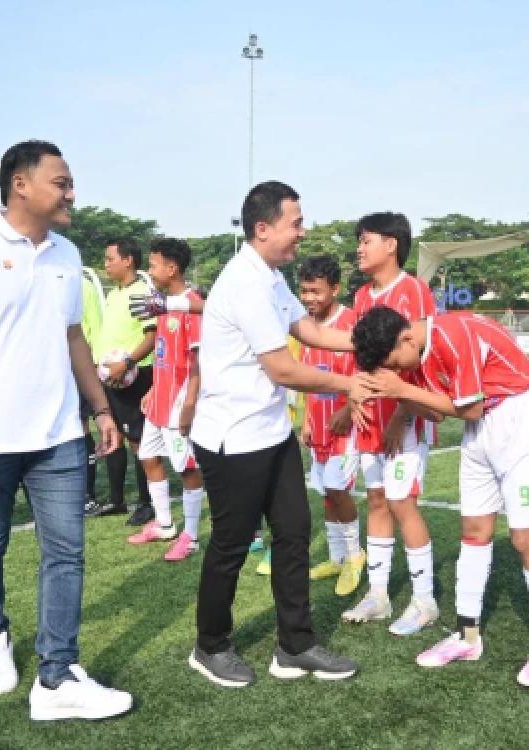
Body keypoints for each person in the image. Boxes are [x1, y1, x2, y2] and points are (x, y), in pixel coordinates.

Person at [0, 139, 131, 721]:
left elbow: (74, 341)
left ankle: (57, 677)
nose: (71, 192)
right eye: (61, 182)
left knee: (66, 553)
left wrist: (100, 410)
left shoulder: (67, 254)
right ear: (20, 184)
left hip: (60, 435)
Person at [188, 180, 366, 688]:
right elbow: (285, 370)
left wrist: (369, 342)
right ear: (263, 228)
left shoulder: (269, 276)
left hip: (271, 433)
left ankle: (296, 647)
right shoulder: (244, 282)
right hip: (232, 439)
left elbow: (307, 330)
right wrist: (349, 382)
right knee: (231, 544)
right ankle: (210, 645)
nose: (302, 233)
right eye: (296, 223)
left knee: (292, 535)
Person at [353, 307, 529, 685]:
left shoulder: (453, 333)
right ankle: (467, 635)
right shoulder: (415, 353)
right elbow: (436, 415)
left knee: (524, 536)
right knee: (473, 530)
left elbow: (470, 406)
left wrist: (401, 392)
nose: (398, 371)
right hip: (481, 429)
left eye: (394, 362)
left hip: (519, 420)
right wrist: (393, 397)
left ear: (406, 338)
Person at [337, 212, 440, 637]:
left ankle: (424, 600)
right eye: (359, 241)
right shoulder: (361, 297)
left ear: (392, 244)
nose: (360, 248)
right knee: (376, 501)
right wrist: (351, 399)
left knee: (403, 505)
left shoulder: (414, 292)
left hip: (406, 419)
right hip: (369, 420)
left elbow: (422, 361)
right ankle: (379, 593)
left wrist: (401, 413)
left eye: (367, 240)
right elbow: (359, 358)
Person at [130, 237, 207, 562]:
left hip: (178, 404)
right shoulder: (161, 303)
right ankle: (164, 524)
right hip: (158, 401)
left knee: (188, 468)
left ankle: (190, 535)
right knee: (148, 457)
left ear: (172, 268)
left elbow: (199, 363)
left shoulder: (192, 305)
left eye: (153, 264)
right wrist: (152, 388)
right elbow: (164, 355)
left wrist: (189, 405)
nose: (149, 270)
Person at [296, 254, 364, 595]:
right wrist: (308, 420)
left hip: (348, 427)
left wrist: (350, 410)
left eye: (316, 291)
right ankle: (337, 559)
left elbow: (366, 374)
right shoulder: (306, 328)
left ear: (335, 289)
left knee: (338, 488)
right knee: (326, 494)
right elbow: (311, 380)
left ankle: (355, 557)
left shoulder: (352, 324)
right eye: (304, 291)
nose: (309, 298)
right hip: (319, 424)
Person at [88, 238, 157, 526]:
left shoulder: (141, 293)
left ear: (128, 260)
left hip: (135, 376)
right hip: (111, 378)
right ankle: (117, 500)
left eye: (110, 259)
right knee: (113, 436)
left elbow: (152, 336)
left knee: (140, 441)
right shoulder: (114, 294)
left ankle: (147, 502)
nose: (105, 264)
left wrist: (127, 362)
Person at [79, 269, 108, 515]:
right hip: (47, 370)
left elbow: (95, 327)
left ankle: (86, 496)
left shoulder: (81, 285)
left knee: (81, 427)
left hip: (78, 366)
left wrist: (96, 364)